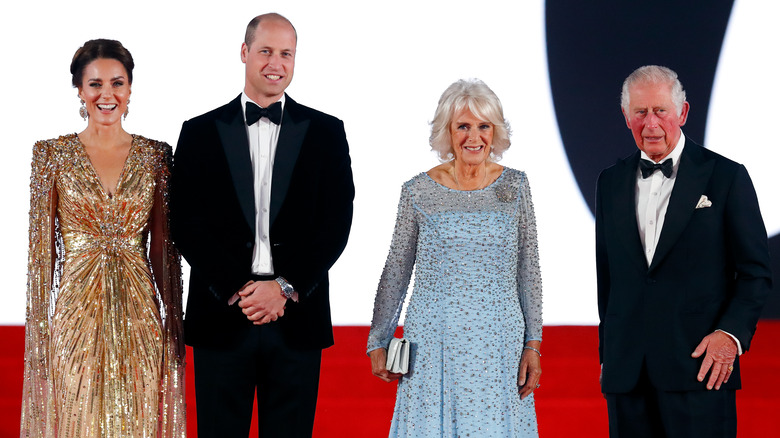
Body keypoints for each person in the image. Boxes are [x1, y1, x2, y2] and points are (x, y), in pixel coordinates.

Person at [170, 13, 354, 437]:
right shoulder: (199, 132)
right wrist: (238, 287)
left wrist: (284, 288)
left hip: (296, 318)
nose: (276, 63)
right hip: (223, 315)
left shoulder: (327, 131)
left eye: (286, 53)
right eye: (266, 51)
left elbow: (335, 223)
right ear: (244, 53)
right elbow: (186, 221)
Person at [596, 65, 773, 437]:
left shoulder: (726, 177)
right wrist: (608, 354)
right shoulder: (609, 182)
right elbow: (608, 279)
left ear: (683, 112)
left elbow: (755, 273)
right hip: (627, 374)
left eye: (660, 110)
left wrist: (730, 335)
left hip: (700, 370)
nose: (651, 123)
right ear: (626, 116)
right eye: (640, 112)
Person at [20, 39, 186, 437]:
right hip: (76, 313)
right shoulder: (51, 155)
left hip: (139, 312)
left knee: (138, 421)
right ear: (79, 90)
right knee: (79, 420)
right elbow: (40, 257)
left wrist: (174, 324)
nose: (106, 94)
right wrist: (41, 332)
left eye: (117, 83)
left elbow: (164, 249)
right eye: (95, 84)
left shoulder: (157, 156)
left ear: (130, 90)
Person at [367, 78, 543, 437]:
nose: (473, 137)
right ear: (448, 132)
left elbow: (529, 270)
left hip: (500, 344)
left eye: (483, 126)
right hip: (432, 342)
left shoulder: (516, 187)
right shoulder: (417, 190)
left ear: (495, 132)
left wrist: (533, 344)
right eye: (463, 126)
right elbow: (396, 270)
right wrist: (378, 340)